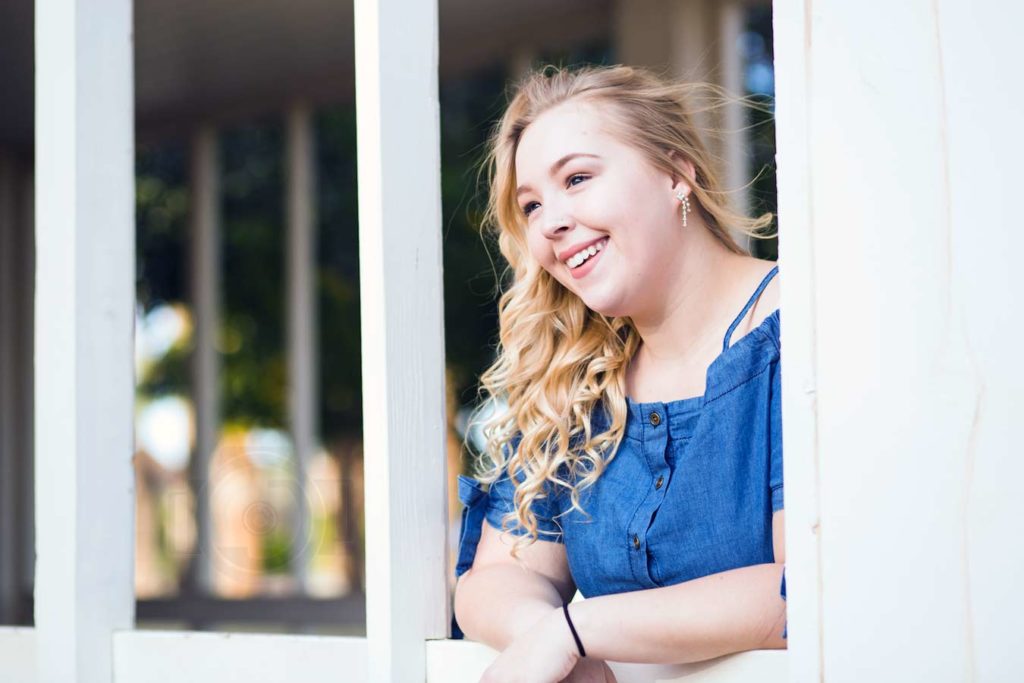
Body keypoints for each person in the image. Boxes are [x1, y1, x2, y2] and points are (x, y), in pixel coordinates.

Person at [452, 64, 786, 683]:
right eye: (531, 206)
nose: (549, 222)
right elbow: (495, 576)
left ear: (676, 172)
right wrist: (542, 640)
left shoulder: (807, 332)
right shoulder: (579, 382)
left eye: (577, 178)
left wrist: (575, 631)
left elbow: (809, 585)